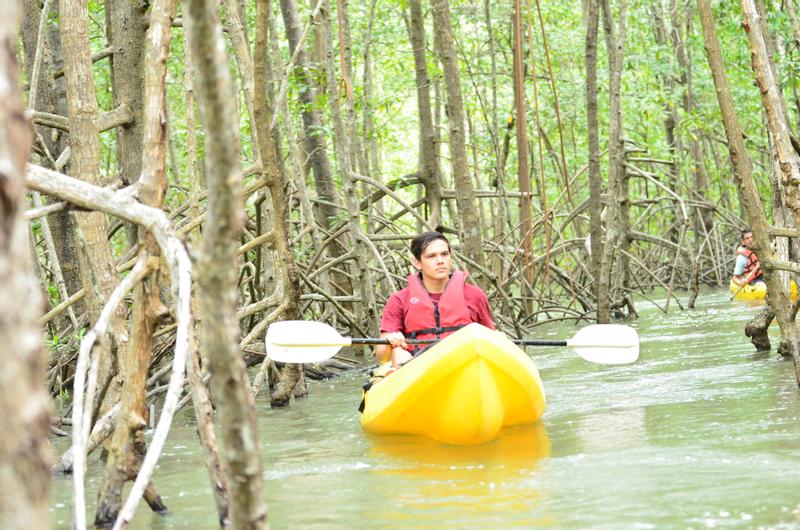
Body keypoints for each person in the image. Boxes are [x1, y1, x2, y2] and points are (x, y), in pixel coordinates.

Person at [375, 231, 495, 368]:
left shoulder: (475, 295)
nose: (440, 261)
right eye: (431, 256)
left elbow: (490, 339)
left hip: (465, 364)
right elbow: (381, 355)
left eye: (444, 254)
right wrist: (391, 341)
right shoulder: (398, 300)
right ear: (417, 263)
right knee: (398, 352)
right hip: (419, 367)